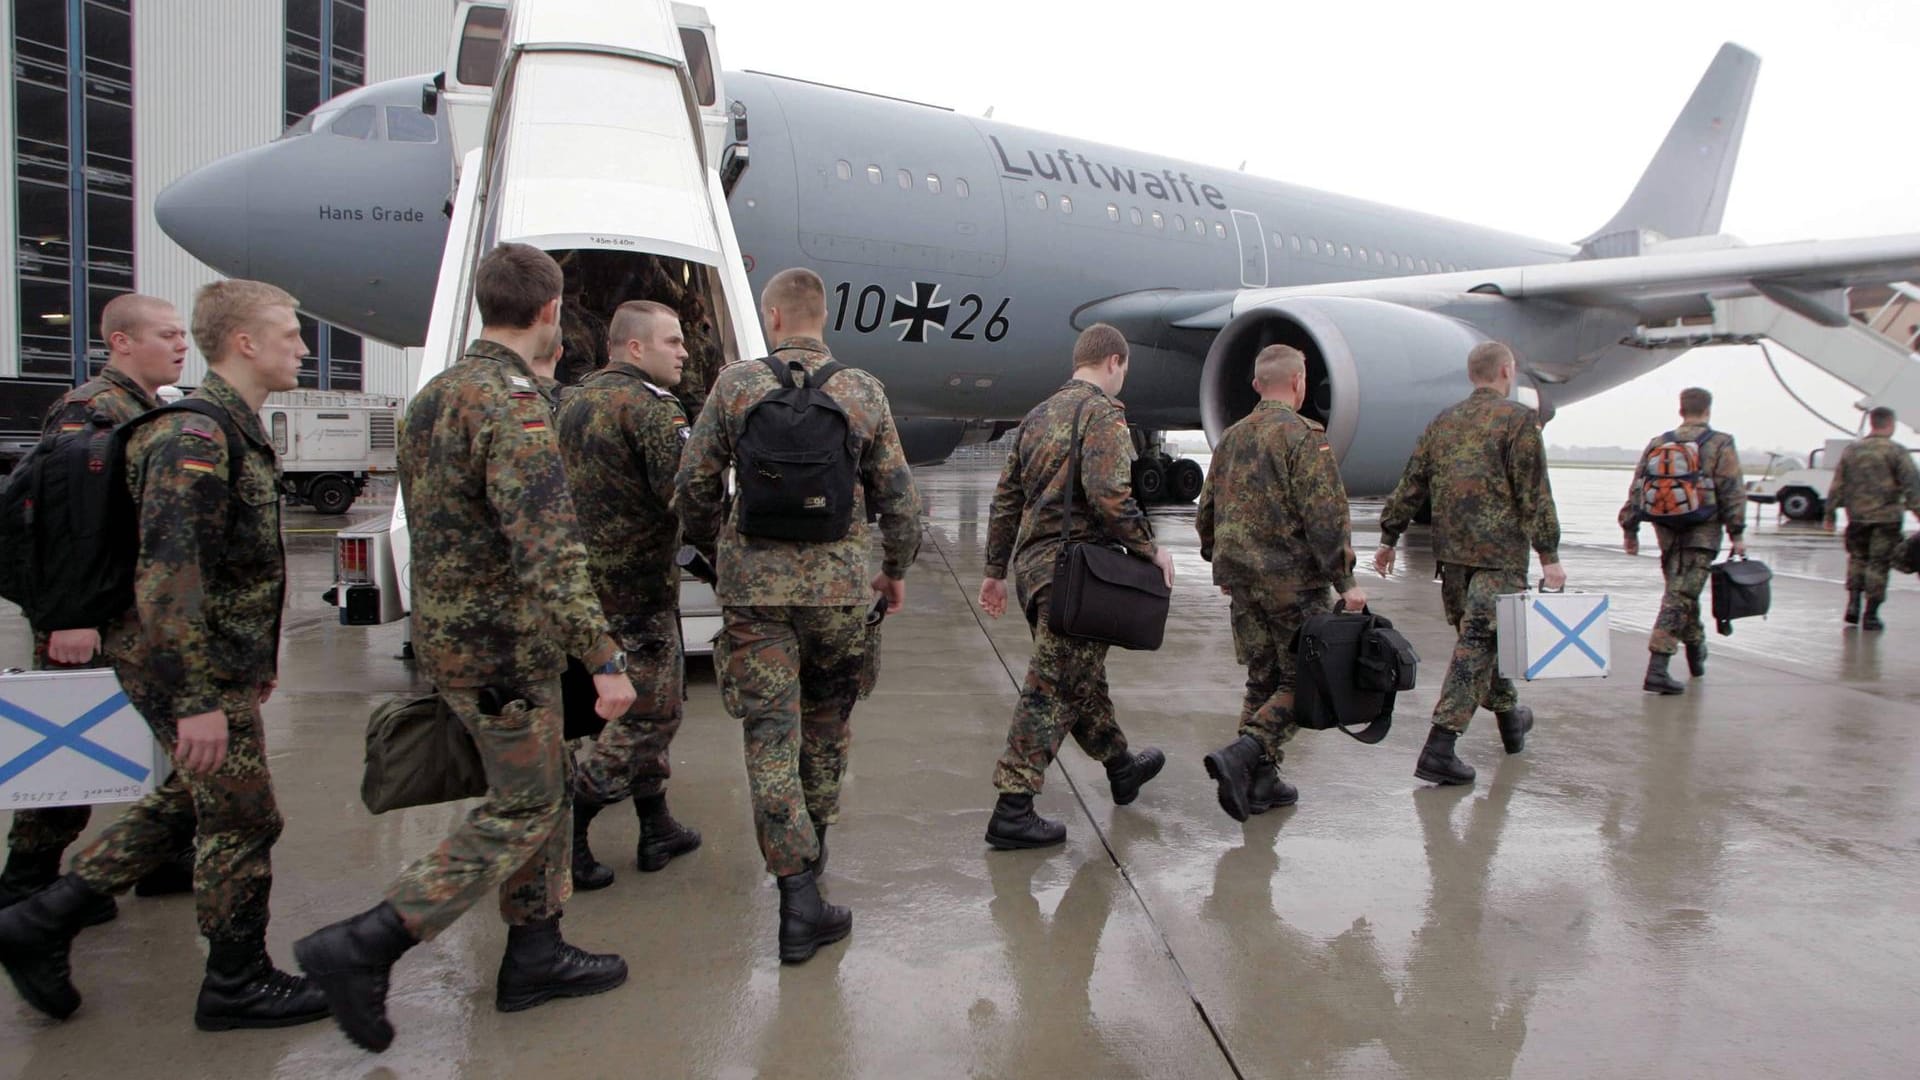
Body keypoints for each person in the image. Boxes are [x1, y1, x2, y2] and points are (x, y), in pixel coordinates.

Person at [294, 244, 636, 1053]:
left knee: (542, 792)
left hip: (450, 633)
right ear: (550, 311)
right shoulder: (513, 405)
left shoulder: (435, 395)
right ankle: (371, 939)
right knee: (525, 805)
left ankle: (536, 951)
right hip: (506, 645)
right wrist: (602, 657)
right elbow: (547, 547)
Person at [0, 280, 329, 1031]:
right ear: (245, 342)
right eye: (289, 333)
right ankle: (236, 980)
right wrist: (199, 702)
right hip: (187, 667)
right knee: (245, 819)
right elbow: (168, 581)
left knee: (191, 798)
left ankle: (39, 918)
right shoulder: (195, 437)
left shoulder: (224, 427)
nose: (303, 349)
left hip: (216, 663)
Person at [675, 266, 921, 964]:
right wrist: (892, 572)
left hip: (755, 594)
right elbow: (901, 503)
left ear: (773, 318)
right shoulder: (862, 390)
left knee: (770, 739)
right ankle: (811, 874)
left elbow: (693, 484)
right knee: (826, 731)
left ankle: (795, 895)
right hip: (840, 592)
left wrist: (711, 550)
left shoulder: (736, 385)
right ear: (821, 317)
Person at [1, 295, 197, 916]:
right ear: (121, 342)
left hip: (126, 612)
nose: (180, 344)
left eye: (182, 335)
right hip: (92, 617)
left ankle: (158, 857)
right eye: (166, 335)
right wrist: (67, 619)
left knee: (172, 743)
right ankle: (27, 884)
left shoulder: (142, 409)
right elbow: (57, 522)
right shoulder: (93, 410)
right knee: (70, 750)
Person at [977, 323, 1173, 850]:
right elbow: (1110, 495)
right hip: (1079, 575)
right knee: (1052, 689)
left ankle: (1121, 766)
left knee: (1081, 679)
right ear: (1114, 362)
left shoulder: (1037, 416)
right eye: (1124, 371)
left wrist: (995, 572)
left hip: (1035, 572)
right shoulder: (1103, 415)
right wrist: (1151, 549)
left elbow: (1005, 501)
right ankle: (1013, 806)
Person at [557, 299, 702, 889]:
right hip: (637, 594)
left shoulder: (569, 402)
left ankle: (655, 824)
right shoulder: (653, 410)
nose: (685, 352)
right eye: (673, 342)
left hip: (584, 598)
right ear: (636, 348)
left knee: (618, 713)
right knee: (652, 715)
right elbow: (688, 499)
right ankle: (567, 824)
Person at [1373, 341, 1563, 786]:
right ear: (1506, 371)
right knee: (1477, 647)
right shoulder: (1518, 421)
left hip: (1453, 563)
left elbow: (1412, 481)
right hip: (1498, 560)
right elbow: (1534, 492)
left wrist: (1388, 536)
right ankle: (1440, 746)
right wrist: (1549, 555)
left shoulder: (1445, 421)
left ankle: (1511, 720)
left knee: (1481, 644)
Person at [1197, 344, 1365, 820]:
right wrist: (1346, 581)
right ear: (1298, 382)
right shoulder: (1304, 437)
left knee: (1262, 678)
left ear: (1256, 385)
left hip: (1242, 583)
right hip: (1293, 584)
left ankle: (1259, 781)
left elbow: (1206, 512)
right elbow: (1325, 517)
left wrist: (1222, 562)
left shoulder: (1230, 439)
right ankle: (1244, 754)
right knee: (1305, 680)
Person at [1620, 388, 1746, 693]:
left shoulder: (1660, 443)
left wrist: (1630, 527)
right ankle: (1657, 667)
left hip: (1666, 530)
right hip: (1702, 531)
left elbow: (1638, 486)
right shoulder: (1719, 443)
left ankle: (1696, 649)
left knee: (1681, 593)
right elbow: (1731, 489)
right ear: (1708, 410)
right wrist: (1737, 533)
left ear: (1681, 410)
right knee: (1679, 596)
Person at [1823, 405, 1920, 630]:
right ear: (1891, 424)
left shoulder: (1852, 451)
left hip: (1857, 517)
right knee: (1879, 564)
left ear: (1872, 423)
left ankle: (1853, 603)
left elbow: (1837, 484)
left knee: (1857, 559)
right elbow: (1911, 486)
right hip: (1886, 519)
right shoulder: (1896, 451)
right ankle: (1871, 614)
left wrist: (1829, 514)